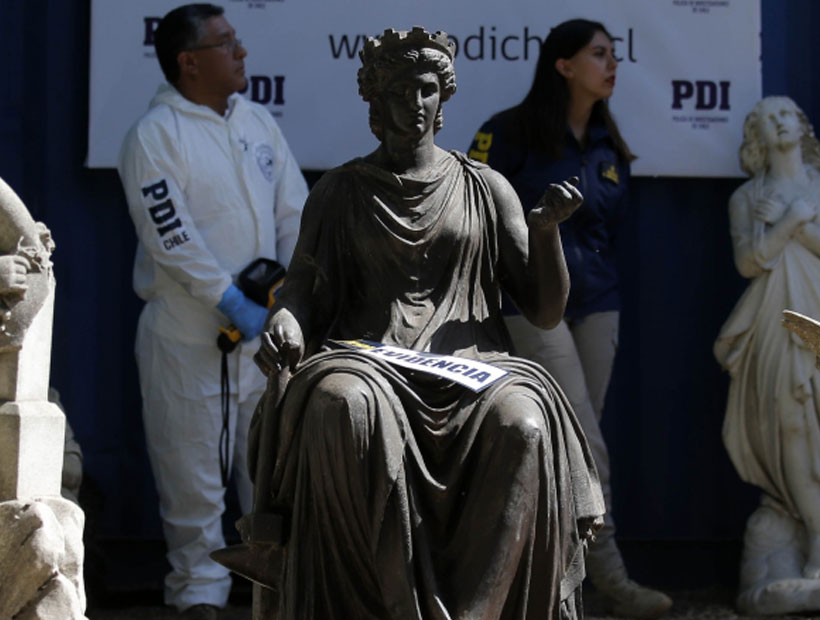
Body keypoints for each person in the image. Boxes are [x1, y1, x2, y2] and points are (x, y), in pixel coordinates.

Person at [248, 26, 604, 620]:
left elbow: (544, 311)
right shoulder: (339, 192)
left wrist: (545, 233)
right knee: (341, 406)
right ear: (374, 104)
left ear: (443, 98)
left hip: (474, 368)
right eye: (398, 93)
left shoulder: (486, 188)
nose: (413, 105)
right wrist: (286, 320)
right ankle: (367, 605)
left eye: (426, 90)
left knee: (525, 425)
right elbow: (303, 294)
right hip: (367, 358)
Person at [468, 19, 672, 619]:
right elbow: (478, 216)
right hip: (534, 310)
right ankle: (605, 577)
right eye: (599, 54)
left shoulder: (608, 144)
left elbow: (609, 234)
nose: (613, 65)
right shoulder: (506, 132)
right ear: (563, 65)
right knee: (585, 443)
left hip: (598, 308)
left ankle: (555, 579)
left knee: (572, 447)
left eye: (614, 56)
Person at [117, 4, 308, 618]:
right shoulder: (154, 136)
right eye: (227, 43)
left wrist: (284, 298)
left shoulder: (256, 122)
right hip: (186, 338)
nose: (242, 53)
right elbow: (169, 234)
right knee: (193, 479)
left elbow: (294, 212)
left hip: (265, 338)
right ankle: (199, 597)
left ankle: (273, 595)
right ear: (189, 61)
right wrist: (225, 299)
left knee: (272, 475)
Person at [716, 96, 820, 581]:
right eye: (767, 119)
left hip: (816, 310)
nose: (779, 123)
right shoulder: (746, 199)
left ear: (801, 126)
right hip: (777, 321)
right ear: (757, 137)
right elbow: (747, 262)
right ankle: (815, 532)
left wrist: (793, 220)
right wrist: (789, 222)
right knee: (789, 421)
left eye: (786, 115)